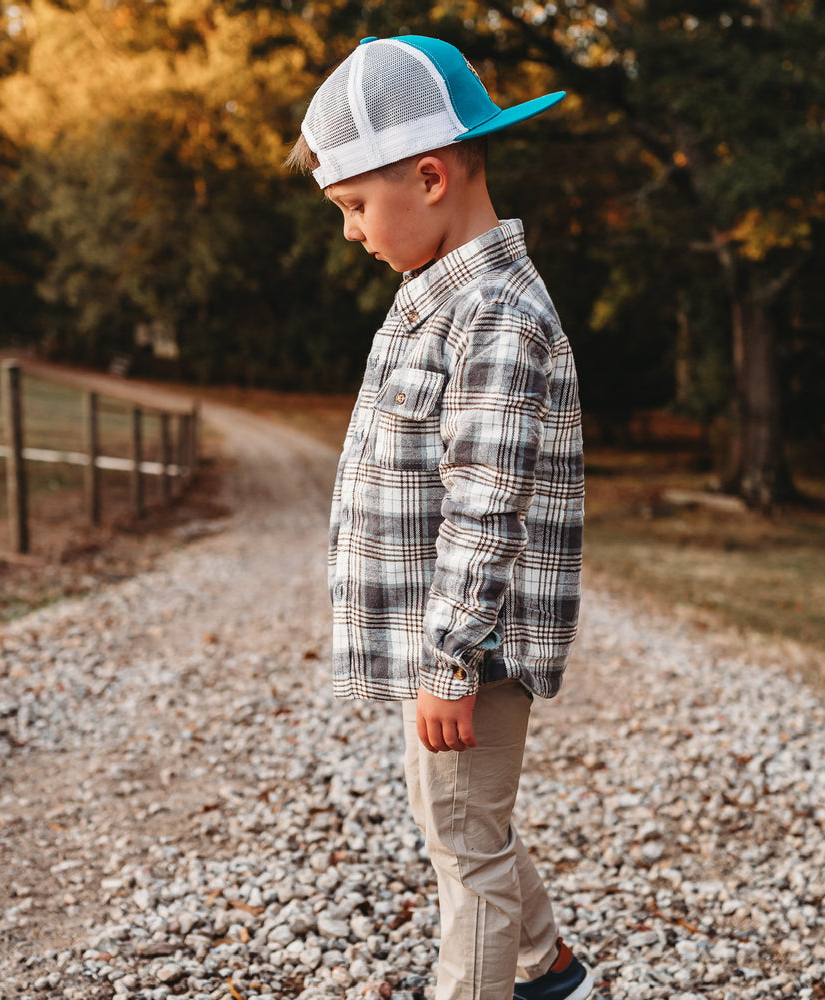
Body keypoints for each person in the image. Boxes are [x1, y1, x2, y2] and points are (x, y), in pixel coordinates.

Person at [287, 35, 591, 1000]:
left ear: (428, 177)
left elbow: (486, 504)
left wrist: (451, 663)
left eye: (354, 207)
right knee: (464, 827)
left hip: (475, 652)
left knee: (462, 846)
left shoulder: (496, 310)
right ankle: (552, 971)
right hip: (453, 646)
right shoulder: (437, 296)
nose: (349, 232)